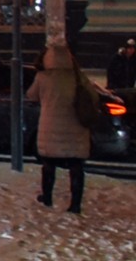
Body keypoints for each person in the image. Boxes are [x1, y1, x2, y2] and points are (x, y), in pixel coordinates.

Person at [27, 43, 93, 214]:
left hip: (51, 127)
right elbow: (91, 94)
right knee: (76, 166)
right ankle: (75, 204)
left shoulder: (43, 77)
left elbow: (31, 95)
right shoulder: (77, 76)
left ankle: (47, 197)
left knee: (49, 164)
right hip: (76, 127)